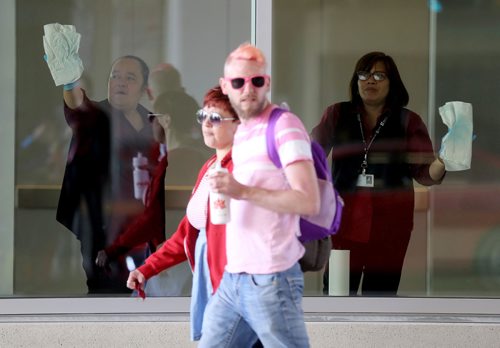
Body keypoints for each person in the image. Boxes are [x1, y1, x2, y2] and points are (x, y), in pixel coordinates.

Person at [198, 43, 319, 348]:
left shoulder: (284, 126)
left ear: (267, 83)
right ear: (226, 86)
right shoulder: (244, 132)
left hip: (271, 278)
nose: (247, 89)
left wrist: (242, 191)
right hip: (235, 275)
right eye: (238, 82)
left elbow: (308, 200)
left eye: (257, 81)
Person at [127, 86, 259, 345]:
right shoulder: (210, 166)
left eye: (217, 118)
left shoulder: (246, 168)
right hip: (214, 286)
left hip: (237, 290)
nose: (207, 124)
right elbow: (188, 231)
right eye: (203, 116)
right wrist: (147, 269)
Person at [311, 51, 447, 296]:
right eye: (363, 74)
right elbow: (310, 154)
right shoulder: (337, 114)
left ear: (392, 82)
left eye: (378, 75)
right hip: (344, 225)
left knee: (381, 299)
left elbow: (425, 174)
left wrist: (444, 159)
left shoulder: (408, 121)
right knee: (338, 296)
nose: (369, 80)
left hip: (390, 228)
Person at [46, 49, 156, 294]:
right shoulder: (96, 115)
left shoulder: (150, 120)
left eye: (130, 78)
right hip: (103, 226)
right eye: (115, 76)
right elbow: (76, 102)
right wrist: (69, 80)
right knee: (107, 290)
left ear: (144, 87)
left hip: (143, 227)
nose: (120, 82)